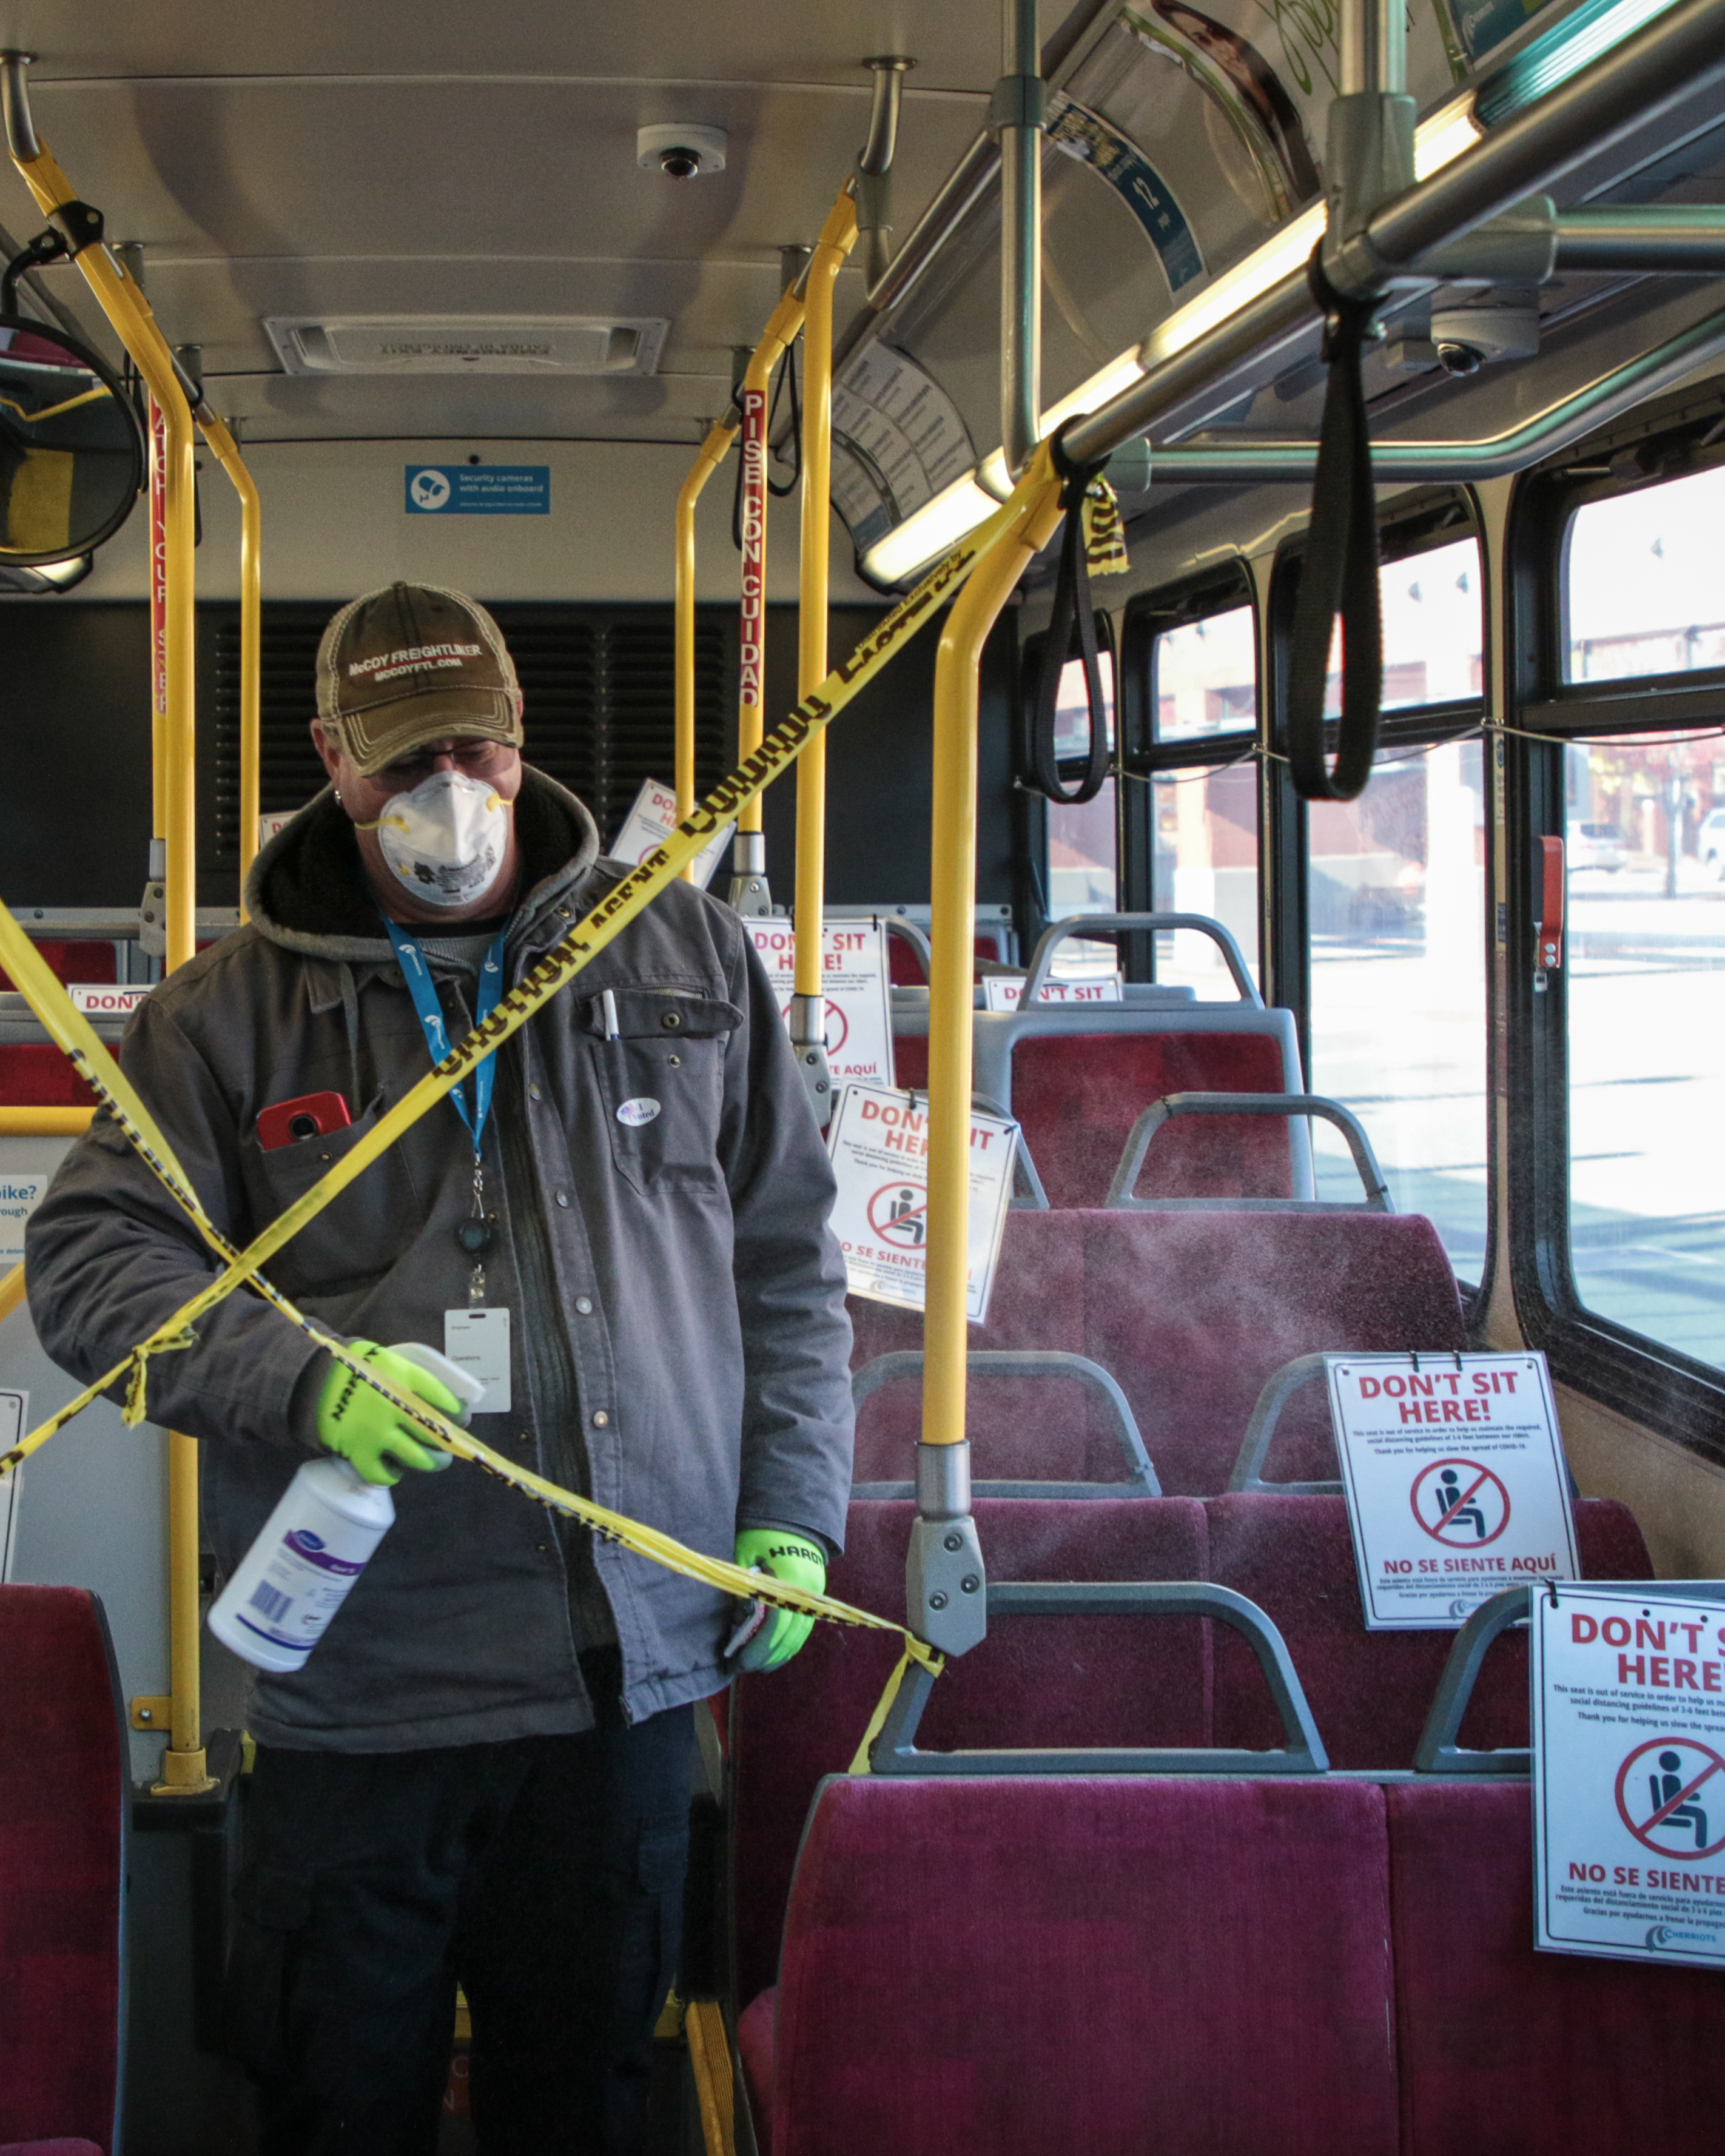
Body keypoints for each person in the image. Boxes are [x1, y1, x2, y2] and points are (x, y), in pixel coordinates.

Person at [25, 580, 855, 2156]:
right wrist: (294, 1373)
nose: (442, 797)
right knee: (342, 2099)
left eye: (467, 748)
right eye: (397, 763)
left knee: (587, 2096)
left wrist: (793, 1506)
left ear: (520, 732)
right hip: (359, 1678)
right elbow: (92, 1263)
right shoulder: (224, 1014)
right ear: (329, 756)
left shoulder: (679, 956)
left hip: (624, 1661)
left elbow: (788, 1265)